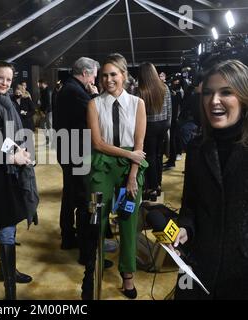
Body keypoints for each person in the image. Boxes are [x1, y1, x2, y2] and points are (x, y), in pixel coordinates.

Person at [172, 59, 248, 299]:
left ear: (244, 98)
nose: (214, 101)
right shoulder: (197, 148)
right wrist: (185, 228)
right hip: (200, 268)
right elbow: (190, 204)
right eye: (208, 93)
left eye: (226, 92)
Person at [84, 53, 147, 299]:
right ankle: (91, 271)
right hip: (102, 164)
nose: (108, 79)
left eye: (113, 74)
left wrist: (133, 172)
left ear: (124, 75)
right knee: (95, 220)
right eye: (104, 75)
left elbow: (139, 145)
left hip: (131, 167)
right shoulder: (94, 104)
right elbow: (98, 143)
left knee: (128, 221)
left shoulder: (137, 104)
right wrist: (129, 154)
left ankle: (128, 276)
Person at [0, 61, 39, 300]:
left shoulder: (8, 103)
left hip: (11, 172)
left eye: (8, 80)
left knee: (9, 224)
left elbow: (10, 137)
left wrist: (20, 154)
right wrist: (13, 156)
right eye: (0, 78)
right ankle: (9, 289)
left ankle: (7, 271)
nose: (4, 83)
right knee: (7, 227)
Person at [52, 57, 99, 261]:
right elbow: (96, 115)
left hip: (68, 150)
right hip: (77, 152)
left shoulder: (67, 88)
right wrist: (95, 97)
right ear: (86, 73)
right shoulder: (76, 91)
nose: (95, 80)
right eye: (95, 75)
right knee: (82, 198)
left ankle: (68, 237)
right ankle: (85, 252)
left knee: (70, 196)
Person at [137, 62, 172, 201]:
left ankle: (152, 187)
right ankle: (158, 184)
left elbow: (138, 114)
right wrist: (168, 124)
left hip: (149, 126)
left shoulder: (140, 90)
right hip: (163, 124)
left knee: (149, 156)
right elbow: (170, 109)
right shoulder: (165, 87)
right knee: (158, 156)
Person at [37, 79, 53, 145]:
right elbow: (42, 102)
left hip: (48, 112)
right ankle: (47, 139)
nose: (38, 85)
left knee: (49, 126)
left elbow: (49, 103)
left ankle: (51, 140)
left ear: (43, 83)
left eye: (39, 84)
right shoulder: (42, 90)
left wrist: (45, 112)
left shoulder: (48, 91)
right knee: (42, 126)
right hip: (43, 112)